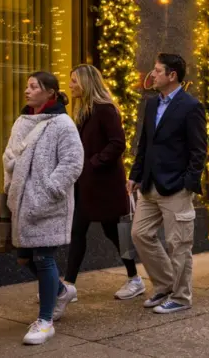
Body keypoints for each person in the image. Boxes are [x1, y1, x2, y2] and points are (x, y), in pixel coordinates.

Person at [3, 71, 84, 345]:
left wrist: (49, 190)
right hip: (22, 203)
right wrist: (9, 186)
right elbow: (9, 156)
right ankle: (61, 290)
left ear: (50, 92)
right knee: (25, 258)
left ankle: (45, 321)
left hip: (47, 204)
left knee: (43, 258)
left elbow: (73, 162)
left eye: (33, 86)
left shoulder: (62, 124)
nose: (27, 91)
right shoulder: (22, 120)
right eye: (27, 86)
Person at [129, 53, 207, 314]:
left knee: (179, 244)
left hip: (176, 187)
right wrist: (135, 174)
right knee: (140, 234)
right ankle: (164, 285)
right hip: (150, 184)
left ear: (172, 75)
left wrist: (188, 183)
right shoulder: (151, 104)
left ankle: (182, 297)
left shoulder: (190, 105)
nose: (152, 75)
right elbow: (144, 143)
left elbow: (199, 150)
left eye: (157, 70)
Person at [64, 64, 145, 300]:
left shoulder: (104, 109)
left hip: (104, 185)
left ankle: (134, 278)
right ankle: (69, 285)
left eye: (74, 81)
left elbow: (118, 143)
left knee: (113, 232)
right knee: (78, 230)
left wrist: (93, 162)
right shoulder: (84, 110)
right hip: (87, 184)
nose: (70, 86)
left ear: (87, 83)